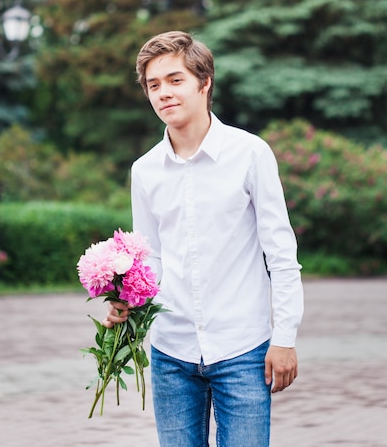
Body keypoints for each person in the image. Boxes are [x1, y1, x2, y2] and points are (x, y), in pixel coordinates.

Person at [103, 30, 304, 447]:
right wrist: (127, 302)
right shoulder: (144, 170)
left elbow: (281, 255)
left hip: (243, 350)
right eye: (153, 85)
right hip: (171, 352)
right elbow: (151, 255)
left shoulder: (250, 153)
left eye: (175, 80)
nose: (164, 93)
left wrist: (284, 337)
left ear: (204, 81)